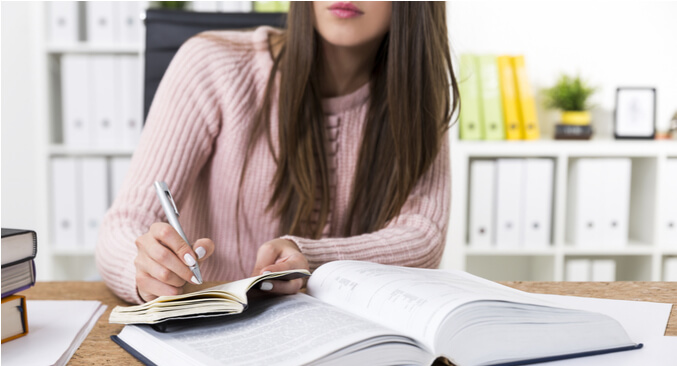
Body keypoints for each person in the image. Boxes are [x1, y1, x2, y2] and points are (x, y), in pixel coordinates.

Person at [96, 1, 459, 304]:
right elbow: (124, 223)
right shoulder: (212, 65)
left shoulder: (417, 96)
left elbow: (423, 236)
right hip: (211, 326)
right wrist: (145, 270)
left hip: (337, 333)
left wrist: (309, 258)